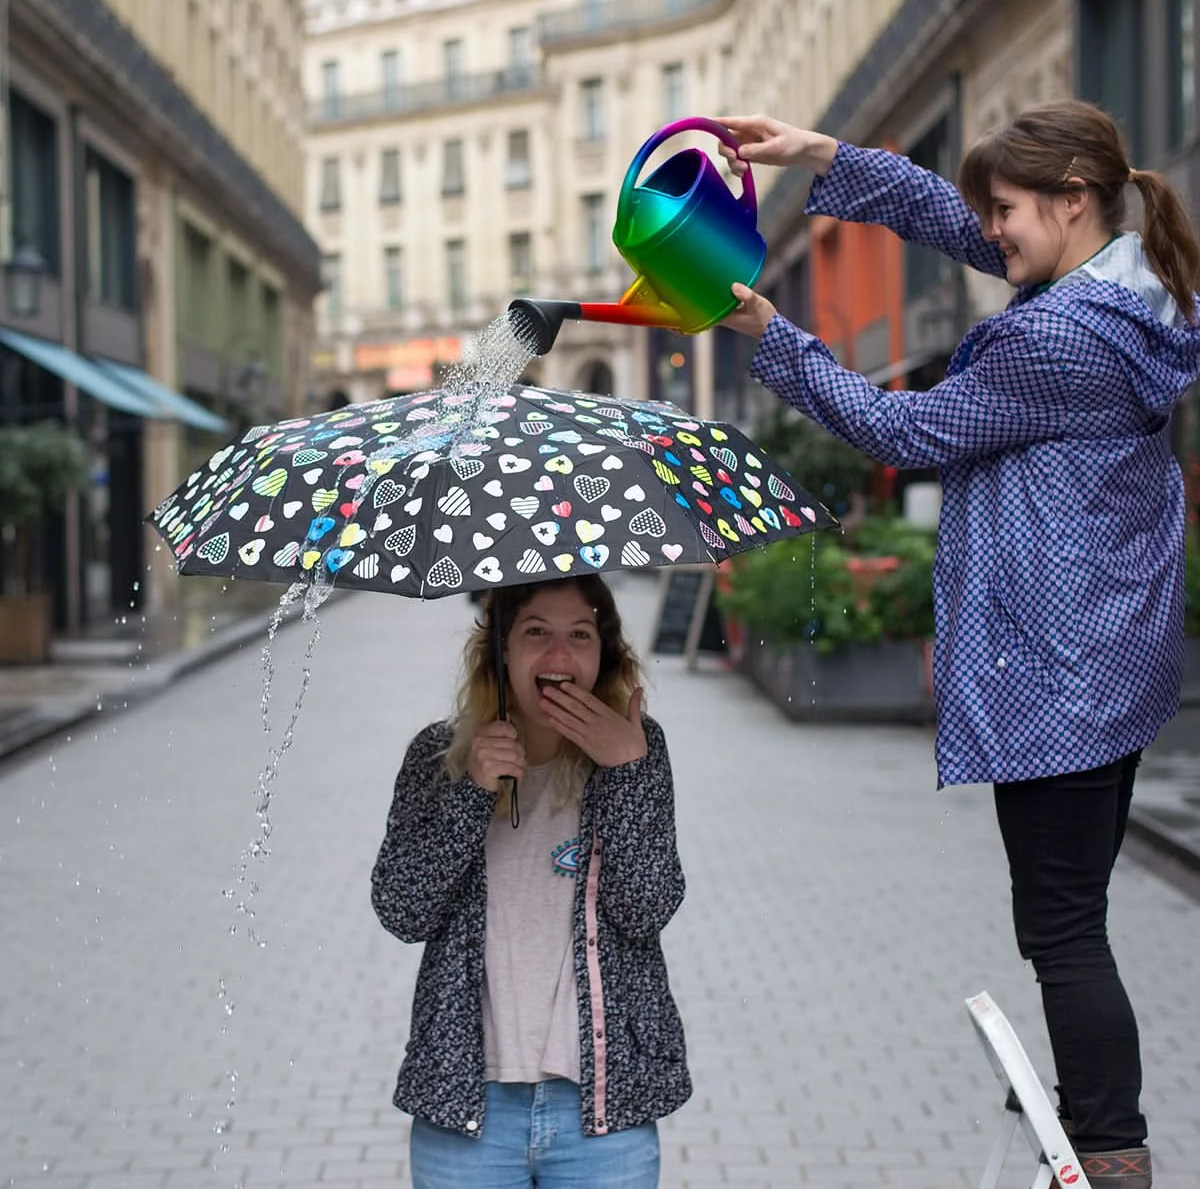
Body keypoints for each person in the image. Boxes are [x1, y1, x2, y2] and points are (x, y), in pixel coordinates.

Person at [715, 101, 1200, 1189]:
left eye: (1013, 210)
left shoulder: (1055, 340)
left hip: (1058, 675)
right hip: (1111, 662)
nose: (995, 231)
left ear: (1074, 200)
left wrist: (770, 337)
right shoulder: (1137, 289)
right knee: (1078, 912)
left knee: (1063, 929)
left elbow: (903, 431)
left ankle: (1112, 1151)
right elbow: (971, 227)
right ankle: (1093, 1115)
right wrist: (826, 158)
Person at [371, 573, 690, 1188]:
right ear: (501, 648)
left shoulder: (637, 748)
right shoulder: (437, 756)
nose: (559, 655)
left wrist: (625, 772)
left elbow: (646, 909)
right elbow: (402, 910)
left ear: (606, 653)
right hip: (468, 1110)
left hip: (601, 1113)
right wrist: (472, 793)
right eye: (536, 632)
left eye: (580, 634)